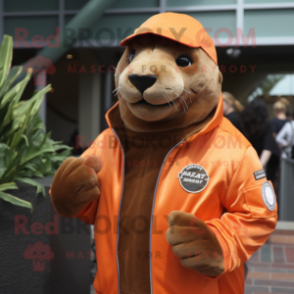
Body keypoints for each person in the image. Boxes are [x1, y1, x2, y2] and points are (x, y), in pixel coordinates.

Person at [241, 98, 280, 168]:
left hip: (269, 158)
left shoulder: (266, 125)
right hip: (257, 155)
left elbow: (267, 148)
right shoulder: (246, 124)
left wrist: (258, 168)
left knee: (264, 176)